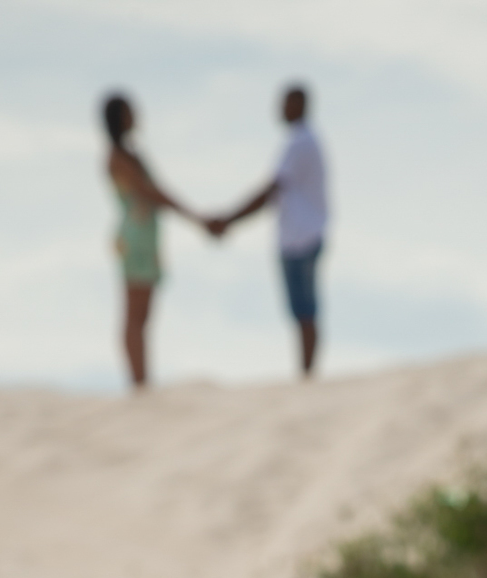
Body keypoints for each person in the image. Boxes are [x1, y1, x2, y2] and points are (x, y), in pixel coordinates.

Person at [208, 86, 329, 377]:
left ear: (300, 105)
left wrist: (229, 219)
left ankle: (307, 376)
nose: (281, 109)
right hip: (299, 235)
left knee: (305, 310)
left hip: (302, 237)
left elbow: (270, 191)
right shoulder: (301, 142)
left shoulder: (300, 142)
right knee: (302, 311)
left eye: (287, 103)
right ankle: (306, 374)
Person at [102, 93, 200, 387]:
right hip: (135, 237)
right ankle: (138, 382)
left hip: (146, 237)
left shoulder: (132, 153)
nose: (136, 116)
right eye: (129, 111)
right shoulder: (117, 156)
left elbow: (156, 190)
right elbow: (151, 192)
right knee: (134, 313)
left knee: (144, 315)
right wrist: (195, 216)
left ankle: (142, 380)